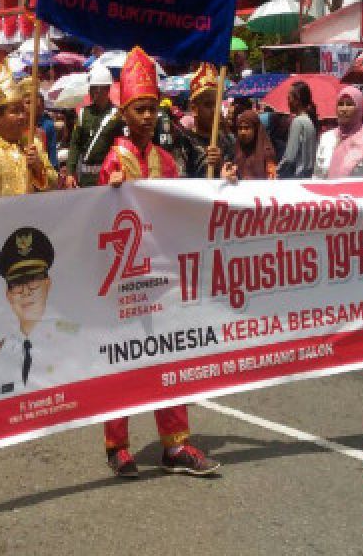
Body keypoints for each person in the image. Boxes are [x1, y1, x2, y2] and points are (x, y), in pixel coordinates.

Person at [99, 47, 219, 479]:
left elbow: (182, 207)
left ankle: (175, 444)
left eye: (152, 109)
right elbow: (97, 216)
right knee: (124, 358)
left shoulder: (166, 161)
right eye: (139, 109)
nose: (148, 117)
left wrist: (221, 182)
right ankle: (117, 444)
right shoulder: (114, 159)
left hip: (162, 276)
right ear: (125, 111)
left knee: (168, 358)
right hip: (125, 279)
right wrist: (108, 189)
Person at [0, 227, 77, 395]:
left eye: (33, 279)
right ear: (8, 295)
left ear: (48, 284)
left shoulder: (72, 335)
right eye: (17, 283)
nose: (26, 291)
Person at [0, 63, 56, 199]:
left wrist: (39, 168)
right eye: (15, 112)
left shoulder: (33, 144)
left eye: (22, 110)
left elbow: (55, 185)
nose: (22, 116)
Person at [66, 64, 118, 188]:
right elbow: (75, 144)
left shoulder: (118, 115)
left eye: (96, 88)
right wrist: (70, 172)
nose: (92, 92)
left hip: (108, 177)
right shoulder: (84, 113)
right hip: (85, 178)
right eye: (91, 88)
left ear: (106, 89)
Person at [314, 86, 363, 179]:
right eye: (340, 104)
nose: (344, 109)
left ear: (359, 108)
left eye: (349, 104)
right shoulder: (326, 138)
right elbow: (317, 177)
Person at [179, 63, 235, 178]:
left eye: (217, 104)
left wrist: (220, 165)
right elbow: (180, 184)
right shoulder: (185, 142)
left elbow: (238, 178)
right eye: (208, 105)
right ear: (194, 109)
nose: (214, 110)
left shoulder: (227, 141)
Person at [276, 81, 318, 179]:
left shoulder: (298, 122)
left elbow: (289, 157)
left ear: (297, 100)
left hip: (298, 177)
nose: (288, 102)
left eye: (289, 98)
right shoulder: (309, 120)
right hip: (309, 176)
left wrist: (277, 172)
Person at [226, 110, 277, 180]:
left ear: (256, 130)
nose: (243, 132)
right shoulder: (234, 150)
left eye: (247, 128)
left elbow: (272, 178)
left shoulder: (267, 153)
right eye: (240, 128)